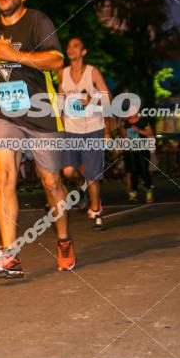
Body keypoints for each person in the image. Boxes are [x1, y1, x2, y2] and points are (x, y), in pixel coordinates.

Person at [0, 0, 71, 278]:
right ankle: (10, 254)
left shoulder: (38, 22)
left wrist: (17, 56)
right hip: (5, 112)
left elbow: (57, 60)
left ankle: (64, 240)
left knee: (52, 183)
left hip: (41, 112)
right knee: (4, 177)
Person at [58, 36, 111, 230]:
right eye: (69, 46)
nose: (71, 49)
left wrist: (92, 99)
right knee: (68, 171)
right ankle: (82, 188)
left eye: (75, 46)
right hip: (71, 129)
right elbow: (60, 101)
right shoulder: (62, 74)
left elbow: (107, 97)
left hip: (93, 128)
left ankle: (96, 211)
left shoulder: (92, 72)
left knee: (93, 176)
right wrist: (60, 120)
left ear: (83, 52)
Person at [120, 107, 154, 203]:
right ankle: (133, 193)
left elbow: (150, 132)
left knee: (144, 171)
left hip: (142, 150)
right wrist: (125, 137)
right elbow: (123, 135)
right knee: (133, 172)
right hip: (131, 151)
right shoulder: (125, 123)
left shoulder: (143, 121)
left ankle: (149, 193)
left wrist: (138, 130)